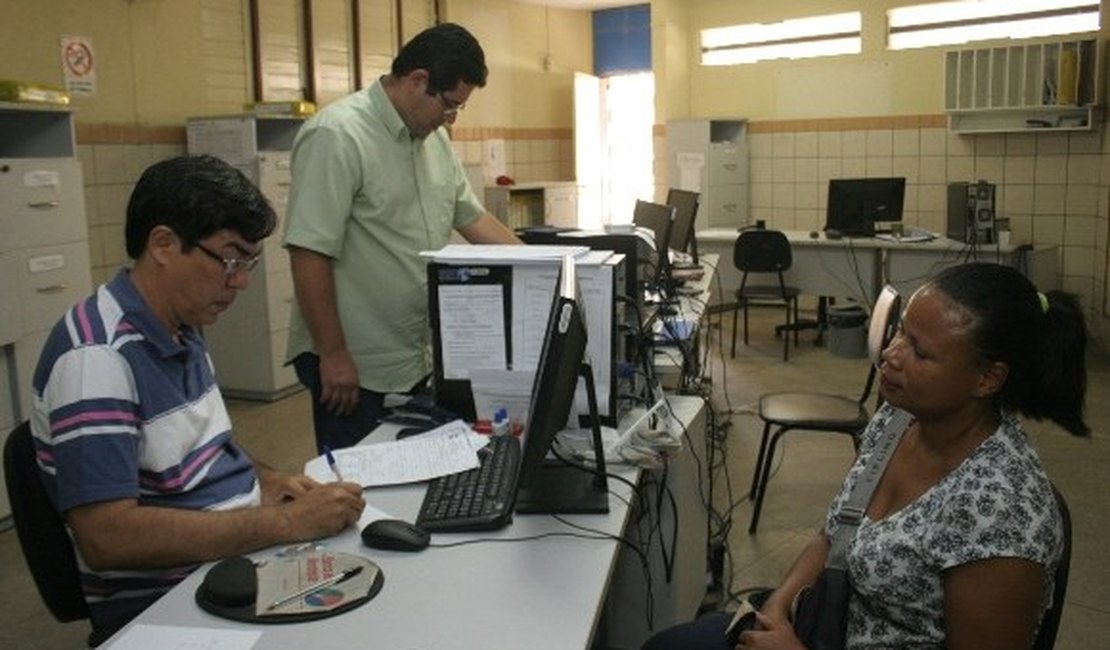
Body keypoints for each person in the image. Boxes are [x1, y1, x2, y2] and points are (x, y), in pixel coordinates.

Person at [644, 262, 1088, 650]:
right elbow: (835, 535)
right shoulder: (900, 419)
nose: (891, 355)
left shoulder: (1001, 514)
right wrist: (777, 608)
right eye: (900, 332)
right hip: (826, 625)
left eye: (920, 351)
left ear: (988, 379)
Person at [30, 155, 366, 637]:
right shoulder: (96, 359)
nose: (241, 280)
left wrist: (270, 482)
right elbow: (107, 537)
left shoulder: (180, 325)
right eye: (230, 258)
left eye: (247, 262)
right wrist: (288, 523)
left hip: (229, 558)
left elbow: (204, 446)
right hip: (170, 597)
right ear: (163, 244)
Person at [283, 22, 521, 454]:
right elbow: (308, 251)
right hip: (353, 362)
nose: (451, 118)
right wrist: (333, 353)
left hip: (411, 356)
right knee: (361, 494)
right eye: (450, 106)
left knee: (409, 480)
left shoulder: (434, 142)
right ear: (418, 81)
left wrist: (554, 269)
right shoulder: (337, 135)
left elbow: (475, 220)